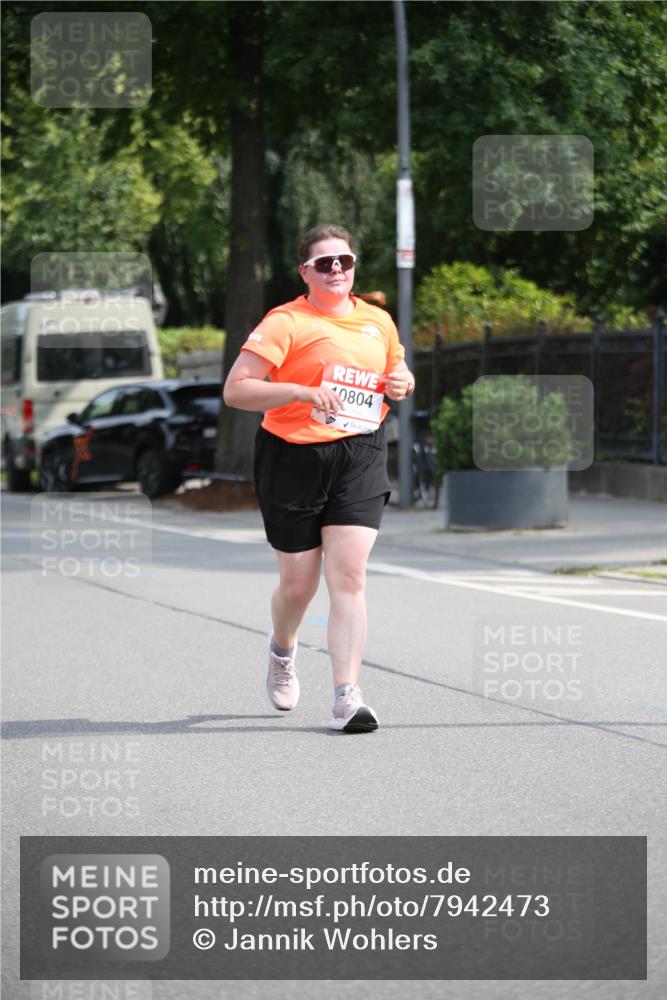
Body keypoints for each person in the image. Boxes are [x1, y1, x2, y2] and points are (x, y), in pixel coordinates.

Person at [223, 224, 415, 733]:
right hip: (293, 456)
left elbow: (398, 375)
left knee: (349, 574)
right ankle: (282, 649)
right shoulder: (286, 321)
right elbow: (237, 391)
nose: (337, 270)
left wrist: (404, 381)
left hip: (360, 453)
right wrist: (298, 393)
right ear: (304, 271)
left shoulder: (378, 322)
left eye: (345, 261)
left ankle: (347, 696)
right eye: (325, 263)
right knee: (299, 584)